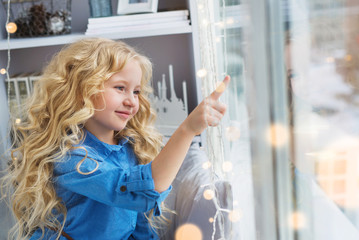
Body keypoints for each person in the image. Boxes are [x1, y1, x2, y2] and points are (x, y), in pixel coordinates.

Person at [1, 38, 230, 240]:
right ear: (82, 92)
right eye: (120, 88)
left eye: (136, 91)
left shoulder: (129, 147)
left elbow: (137, 223)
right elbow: (141, 193)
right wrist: (188, 129)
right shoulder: (70, 159)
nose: (132, 101)